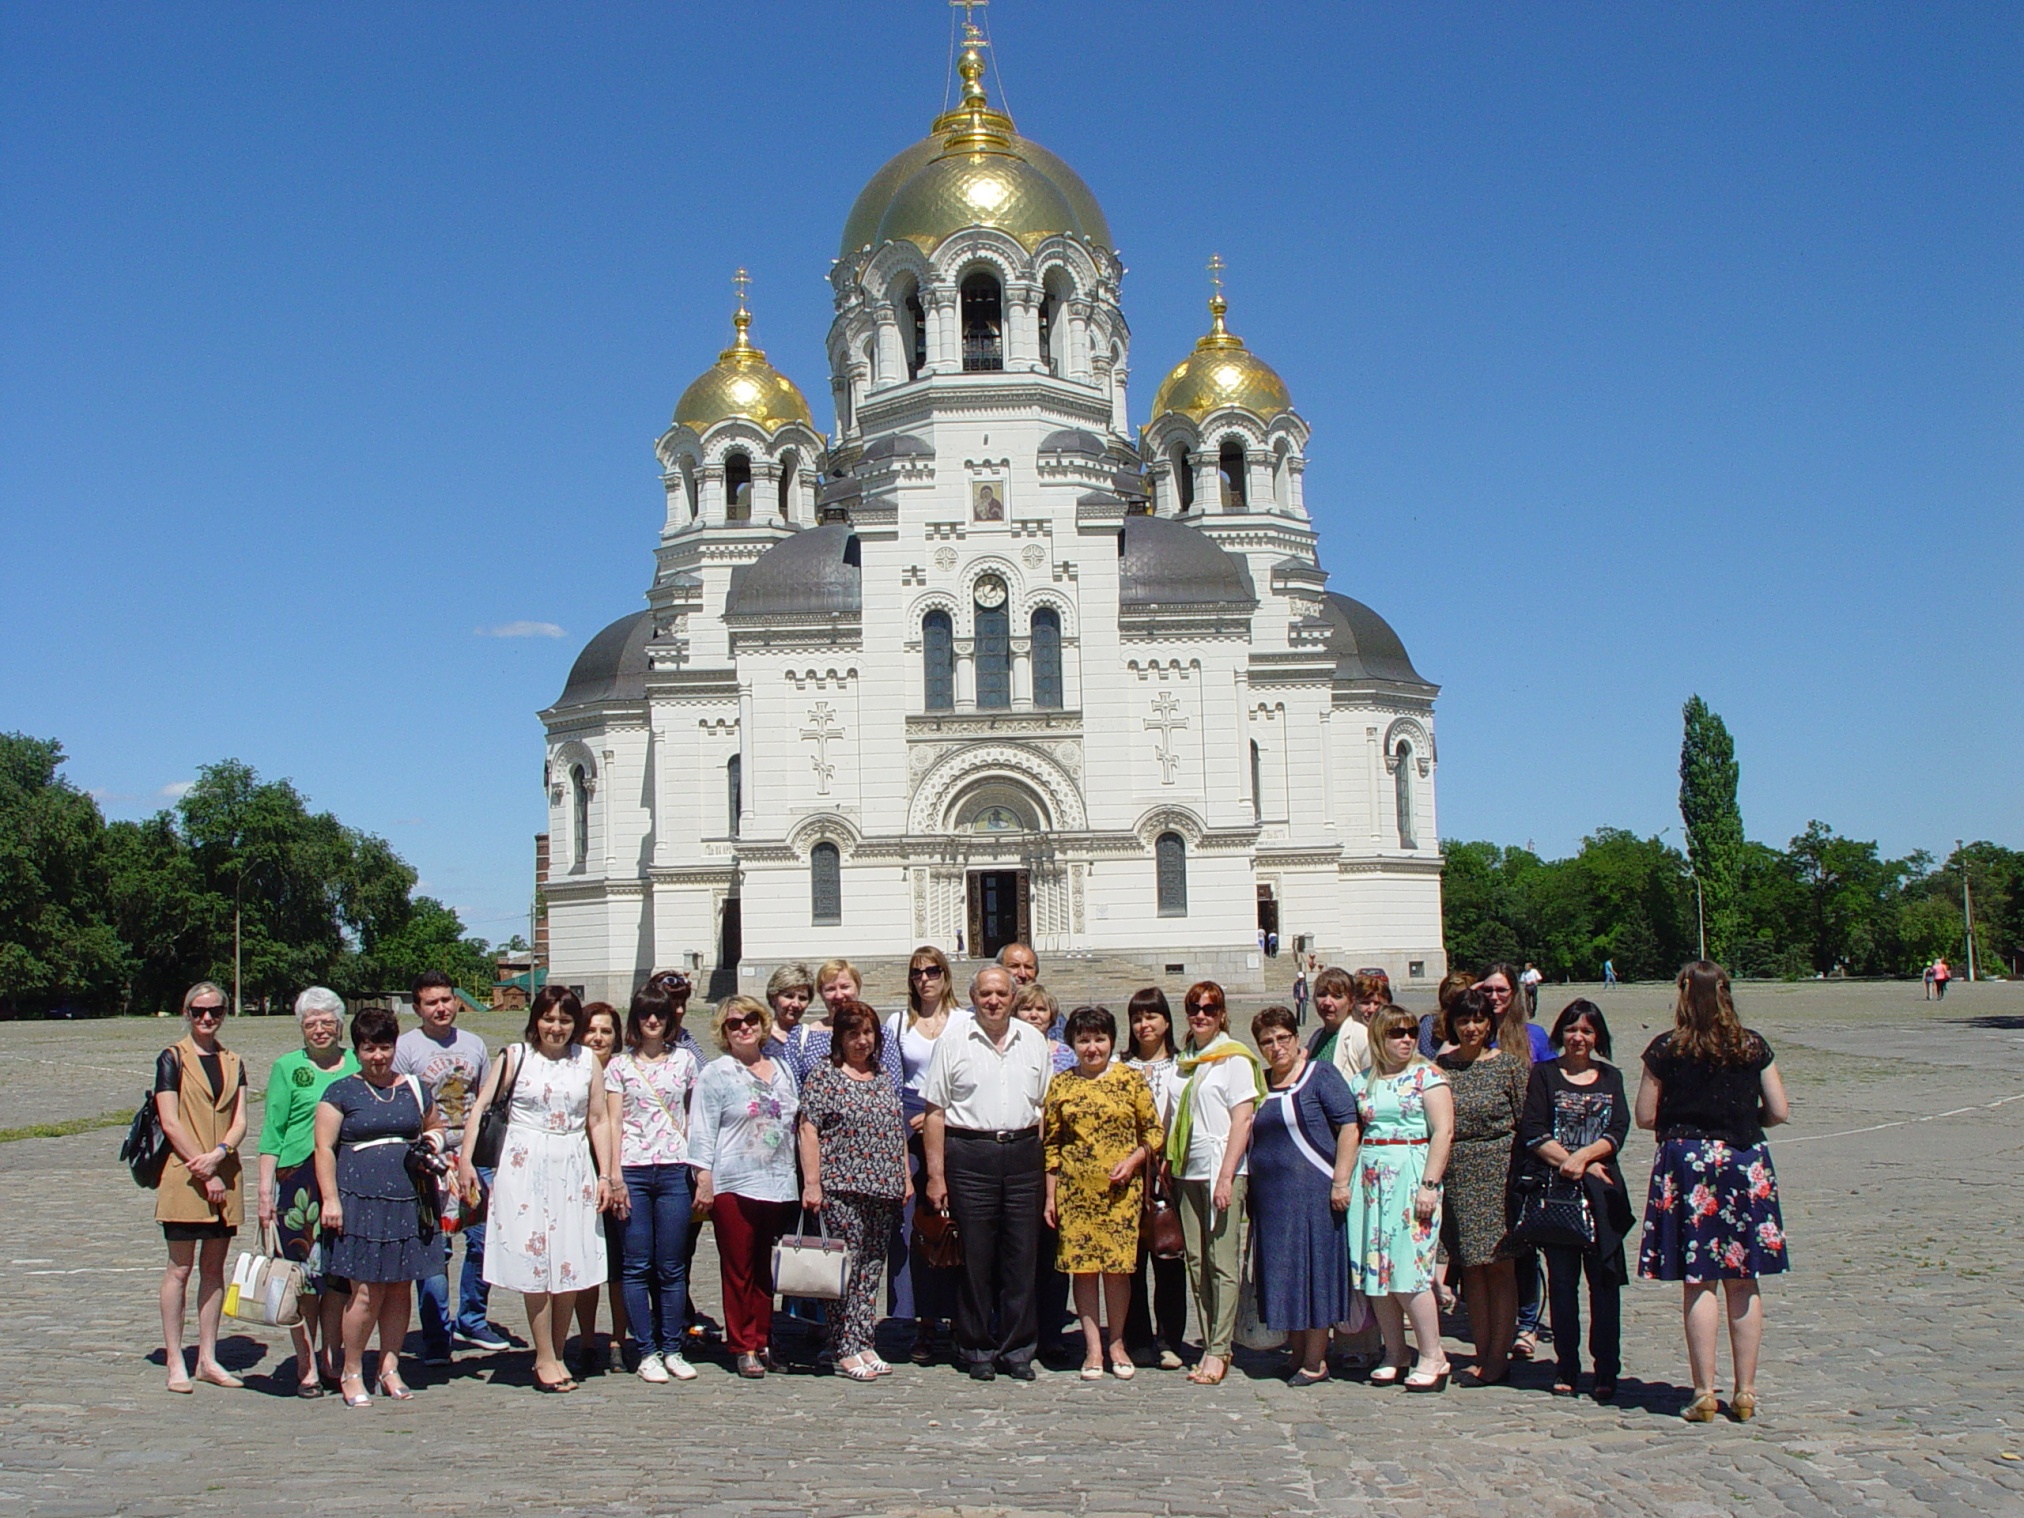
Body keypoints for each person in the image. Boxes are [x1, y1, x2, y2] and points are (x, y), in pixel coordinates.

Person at [1636, 961, 1790, 1423]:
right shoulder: (1751, 1045)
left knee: (1698, 1279)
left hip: (1688, 1164)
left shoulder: (1664, 1049)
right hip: (1744, 1161)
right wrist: (1742, 1122)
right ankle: (1745, 1391)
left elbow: (1646, 1116)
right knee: (1744, 1281)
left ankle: (1703, 1390)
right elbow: (1779, 1110)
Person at [457, 986, 621, 1393]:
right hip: (524, 1164)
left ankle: (559, 1351)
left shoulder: (587, 1062)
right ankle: (543, 1355)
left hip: (572, 1164)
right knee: (535, 1261)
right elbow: (480, 1108)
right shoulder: (516, 1056)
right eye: (549, 1019)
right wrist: (464, 1162)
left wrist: (606, 1174)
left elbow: (598, 1119)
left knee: (569, 1262)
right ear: (536, 1020)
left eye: (565, 1020)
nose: (557, 1028)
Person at [922, 965, 1052, 1381]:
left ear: (1013, 996)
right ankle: (976, 1347)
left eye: (1001, 993)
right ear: (972, 997)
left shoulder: (1033, 1041)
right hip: (970, 1155)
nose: (993, 1001)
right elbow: (935, 1111)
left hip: (1023, 1154)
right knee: (974, 1256)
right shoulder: (953, 1041)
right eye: (985, 994)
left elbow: (1046, 1109)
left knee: (1021, 1256)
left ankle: (1017, 1349)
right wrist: (936, 1176)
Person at [313, 1005, 447, 1407]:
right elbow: (323, 1149)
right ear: (357, 1050)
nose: (378, 1057)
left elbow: (436, 1126)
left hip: (409, 1199)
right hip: (359, 1201)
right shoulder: (340, 1092)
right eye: (369, 1048)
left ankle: (389, 1366)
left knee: (400, 1289)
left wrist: (433, 1144)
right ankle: (351, 1369)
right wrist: (331, 1199)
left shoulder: (413, 1087)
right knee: (365, 1293)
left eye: (384, 1047)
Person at [1518, 999, 1633, 1400]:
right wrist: (1574, 1163)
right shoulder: (1545, 1075)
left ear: (1597, 1036)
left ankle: (1607, 1369)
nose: (1578, 1037)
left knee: (1605, 1284)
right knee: (1563, 1285)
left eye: (1586, 1030)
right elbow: (1533, 1129)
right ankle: (1567, 1364)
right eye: (1571, 1029)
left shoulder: (1611, 1077)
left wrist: (1584, 1157)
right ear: (1560, 1034)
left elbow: (1619, 1128)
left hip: (1603, 1194)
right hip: (1557, 1195)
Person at [394, 970, 509, 1363]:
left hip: (474, 1157)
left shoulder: (474, 1044)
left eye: (447, 999)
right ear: (418, 1008)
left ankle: (472, 1318)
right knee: (434, 1250)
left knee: (482, 1243)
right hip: (430, 1160)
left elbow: (483, 1102)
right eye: (432, 1002)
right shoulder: (405, 1048)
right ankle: (436, 1335)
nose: (441, 1008)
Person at [1043, 1005, 1163, 1380]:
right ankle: (1093, 1349)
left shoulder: (1130, 1080)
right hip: (1075, 1192)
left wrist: (1133, 1161)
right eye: (1083, 1040)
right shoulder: (1062, 1084)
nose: (1092, 1047)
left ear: (1111, 1041)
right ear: (1072, 1043)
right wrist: (1051, 1196)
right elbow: (1052, 1144)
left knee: (1117, 1271)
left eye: (1099, 1039)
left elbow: (1154, 1133)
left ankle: (1117, 1342)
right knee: (1083, 1270)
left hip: (1119, 1193)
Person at [797, 999, 911, 1381]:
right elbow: (808, 1128)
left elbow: (896, 1129)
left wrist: (905, 1177)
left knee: (871, 1268)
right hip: (840, 1186)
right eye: (854, 1034)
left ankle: (864, 1339)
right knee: (844, 1267)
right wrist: (812, 1183)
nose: (862, 1041)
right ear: (840, 1038)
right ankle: (843, 1346)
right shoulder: (824, 1076)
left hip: (882, 1186)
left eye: (868, 1033)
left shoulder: (881, 1077)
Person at [1247, 1005, 1359, 1385]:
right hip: (1273, 1199)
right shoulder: (1259, 1083)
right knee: (1285, 1275)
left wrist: (1341, 1181)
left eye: (1283, 1038)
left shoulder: (1318, 1075)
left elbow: (1348, 1125)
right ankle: (1296, 1354)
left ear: (1296, 1039)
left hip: (1313, 1192)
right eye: (1267, 1041)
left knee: (1315, 1275)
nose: (1276, 1047)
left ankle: (1316, 1359)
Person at [690, 993, 800, 1378]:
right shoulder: (717, 1073)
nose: (744, 1028)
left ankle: (764, 1337)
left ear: (763, 1022)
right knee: (738, 1269)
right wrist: (703, 1177)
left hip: (779, 1182)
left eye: (750, 1019)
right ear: (724, 1031)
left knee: (766, 1269)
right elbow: (702, 1129)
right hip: (734, 1183)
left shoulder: (782, 1069)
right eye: (733, 1023)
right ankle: (742, 1344)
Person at [1345, 1005, 1455, 1392]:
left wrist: (1429, 1184)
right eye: (1396, 1033)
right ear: (1379, 1038)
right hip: (1371, 1178)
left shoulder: (1427, 1076)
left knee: (1410, 1268)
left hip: (1411, 1173)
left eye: (1410, 1031)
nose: (1406, 1039)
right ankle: (1395, 1351)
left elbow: (1442, 1132)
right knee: (1378, 1269)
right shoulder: (1362, 1082)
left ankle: (1432, 1353)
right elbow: (1353, 1132)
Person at [256, 986, 357, 1397]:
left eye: (326, 1022)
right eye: (310, 1023)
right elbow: (271, 1131)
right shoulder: (286, 1068)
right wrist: (264, 1192)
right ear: (301, 1027)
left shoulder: (356, 1061)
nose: (319, 1030)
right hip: (296, 1182)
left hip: (347, 1177)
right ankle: (306, 1361)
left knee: (338, 1275)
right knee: (299, 1277)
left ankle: (333, 1353)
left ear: (340, 1024)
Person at [602, 984, 701, 1384]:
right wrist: (614, 1175)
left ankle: (672, 1346)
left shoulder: (686, 1062)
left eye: (660, 1014)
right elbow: (612, 1122)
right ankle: (645, 1350)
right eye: (646, 1014)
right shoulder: (619, 1067)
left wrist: (699, 1166)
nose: (654, 1021)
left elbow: (696, 1115)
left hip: (675, 1168)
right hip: (635, 1171)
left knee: (671, 1265)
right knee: (636, 1264)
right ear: (636, 1020)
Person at [153, 981, 249, 1393]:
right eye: (198, 1011)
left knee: (214, 1270)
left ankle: (208, 1357)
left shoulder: (234, 1060)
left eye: (215, 1011)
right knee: (180, 1268)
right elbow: (170, 1121)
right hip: (185, 1178)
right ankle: (177, 1358)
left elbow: (241, 1118)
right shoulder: (172, 1057)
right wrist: (203, 1168)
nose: (207, 1018)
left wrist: (221, 1152)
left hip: (225, 1176)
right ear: (186, 1012)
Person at [1167, 981, 1264, 1385]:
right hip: (1186, 1169)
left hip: (1222, 1168)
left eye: (1209, 1008)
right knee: (1195, 1259)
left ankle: (1219, 1349)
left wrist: (1227, 1176)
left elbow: (1243, 1119)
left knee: (1222, 1262)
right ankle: (1210, 1338)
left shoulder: (1234, 1059)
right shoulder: (1184, 1061)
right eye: (1194, 1008)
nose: (1201, 1014)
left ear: (1223, 1013)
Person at [1434, 988, 1528, 1385]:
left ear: (1490, 1023)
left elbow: (1527, 1122)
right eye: (1463, 1021)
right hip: (1457, 1172)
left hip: (1498, 1170)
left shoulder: (1509, 1066)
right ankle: (1482, 1350)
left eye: (1478, 1020)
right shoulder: (1441, 1067)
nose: (1471, 1028)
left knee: (1500, 1268)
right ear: (1453, 1024)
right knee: (1470, 1267)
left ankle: (1498, 1356)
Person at [887, 945, 966, 1365]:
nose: (925, 979)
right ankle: (923, 1321)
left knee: (954, 1223)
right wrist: (909, 1119)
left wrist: (942, 1114)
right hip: (909, 1120)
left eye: (932, 971)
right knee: (916, 1227)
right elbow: (890, 1079)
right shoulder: (899, 1023)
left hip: (956, 1123)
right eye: (917, 973)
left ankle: (957, 1320)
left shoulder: (966, 1021)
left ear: (945, 974)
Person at [1476, 960, 1548, 1357]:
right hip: (1484, 1156)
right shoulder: (1471, 1035)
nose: (1494, 998)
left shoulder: (1532, 1037)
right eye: (1487, 991)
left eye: (1501, 990)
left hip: (1525, 1150)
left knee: (1524, 1241)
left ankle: (1526, 1321)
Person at [1120, 987, 1188, 1370]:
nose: (1145, 1025)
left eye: (1152, 1017)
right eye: (1138, 1018)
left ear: (1166, 1021)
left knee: (1168, 1255)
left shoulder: (1183, 1066)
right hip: (1129, 1174)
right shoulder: (1120, 1065)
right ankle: (1137, 1338)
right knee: (1130, 1263)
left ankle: (1170, 1339)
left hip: (1170, 1175)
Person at [569, 1003, 631, 1375]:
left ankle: (618, 1341)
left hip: (623, 1175)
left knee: (621, 1266)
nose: (598, 1038)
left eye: (605, 1031)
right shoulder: (573, 1071)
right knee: (586, 1260)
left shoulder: (624, 1070)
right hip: (581, 1174)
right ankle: (587, 1338)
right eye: (591, 1030)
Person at [1326, 971, 1385, 1085]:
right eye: (1365, 1003)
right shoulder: (1356, 1033)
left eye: (1377, 1003)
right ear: (1353, 1004)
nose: (1372, 1009)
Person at [763, 962, 818, 1066]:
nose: (796, 1004)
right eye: (789, 996)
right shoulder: (760, 1037)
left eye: (802, 998)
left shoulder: (811, 1037)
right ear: (773, 998)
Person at [1015, 984, 1076, 1074]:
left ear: (1051, 1015)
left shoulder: (1066, 1054)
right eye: (1027, 1009)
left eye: (1041, 1009)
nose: (1034, 1015)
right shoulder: (1007, 1050)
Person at [1305, 966, 1355, 1065]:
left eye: (1336, 996)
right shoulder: (1317, 1036)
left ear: (1351, 1002)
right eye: (1322, 995)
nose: (1327, 1002)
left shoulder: (1359, 1036)